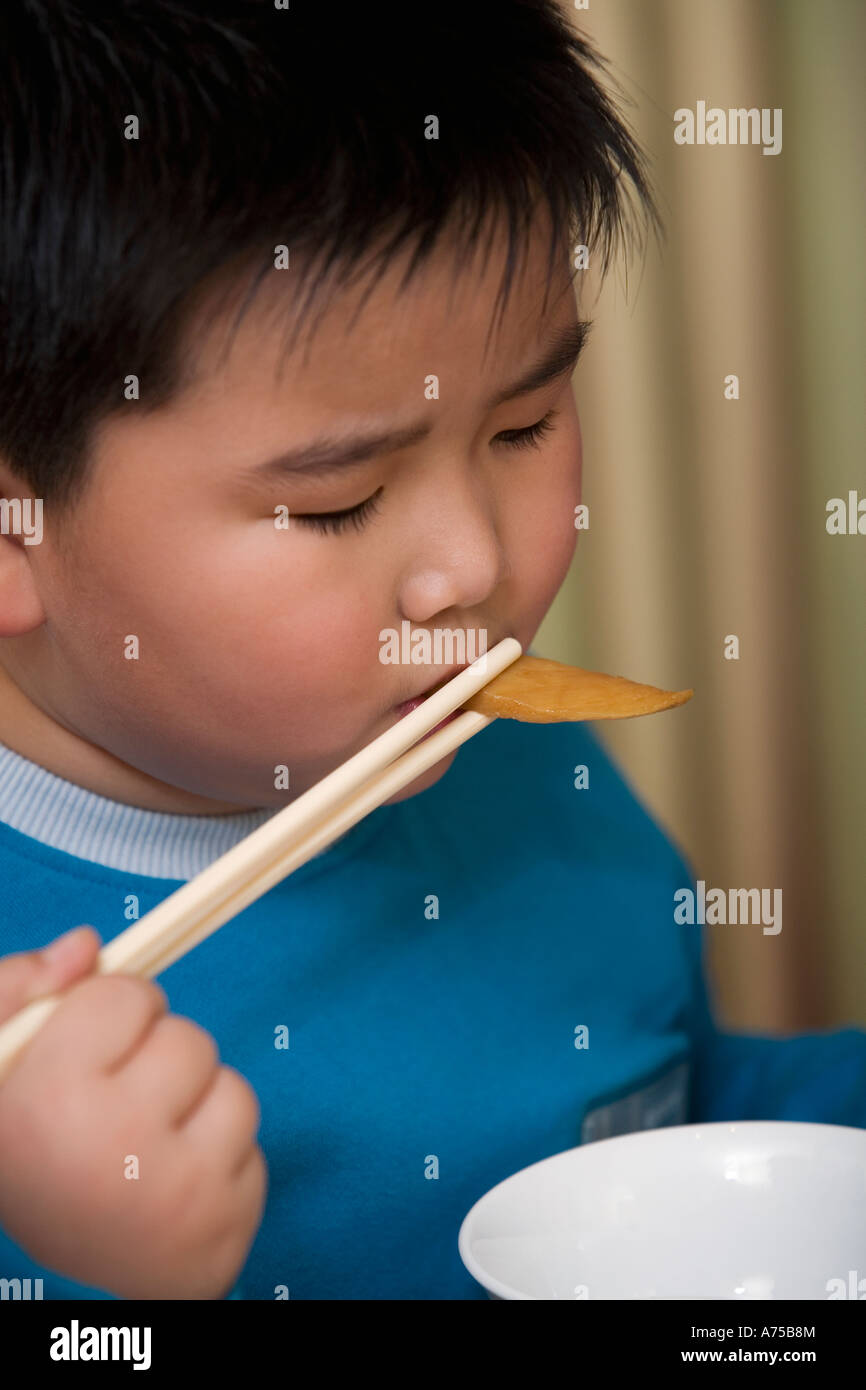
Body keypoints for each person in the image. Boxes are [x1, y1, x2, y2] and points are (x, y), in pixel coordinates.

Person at [0, 1, 862, 1301]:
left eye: (523, 425)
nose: (473, 565)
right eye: (338, 502)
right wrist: (99, 1284)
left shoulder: (525, 769)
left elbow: (677, 1122)